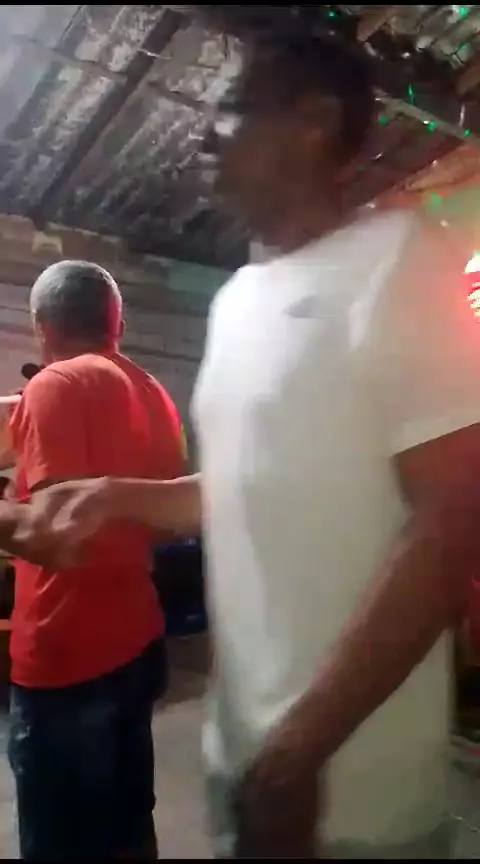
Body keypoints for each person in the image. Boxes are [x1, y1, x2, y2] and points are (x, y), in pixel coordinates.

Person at [16, 29, 480, 859]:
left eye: (231, 107)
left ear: (314, 122)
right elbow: (240, 486)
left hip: (348, 797)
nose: (204, 132)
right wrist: (118, 496)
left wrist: (297, 756)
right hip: (243, 759)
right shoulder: (236, 301)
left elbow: (450, 524)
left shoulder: (399, 262)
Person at [6, 260, 185, 861]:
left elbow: (56, 535)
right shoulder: (154, 393)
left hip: (66, 655)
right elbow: (161, 516)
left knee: (58, 839)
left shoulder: (55, 387)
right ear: (117, 323)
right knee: (127, 824)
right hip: (136, 639)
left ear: (41, 326)